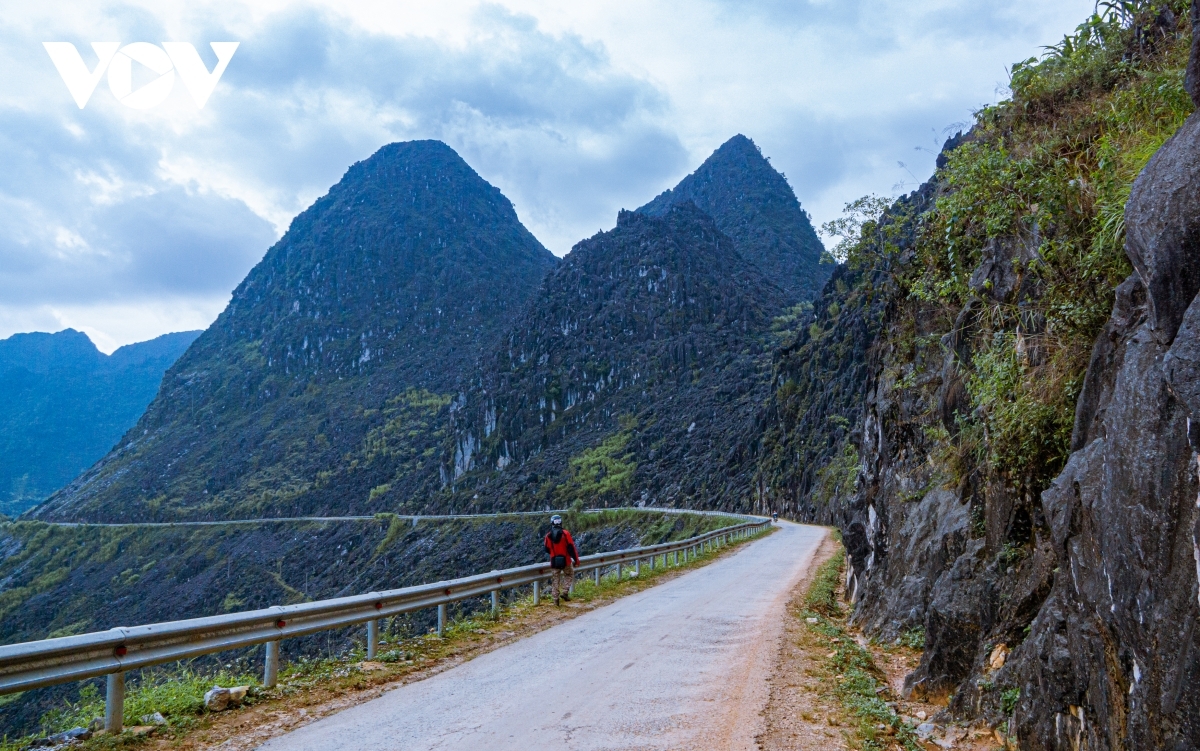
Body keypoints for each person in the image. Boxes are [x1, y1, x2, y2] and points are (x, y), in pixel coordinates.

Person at [544, 514, 580, 606]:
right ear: (561, 522)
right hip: (566, 560)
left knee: (555, 579)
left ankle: (555, 600)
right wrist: (576, 560)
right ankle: (565, 592)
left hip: (554, 561)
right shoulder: (565, 533)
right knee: (569, 574)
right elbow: (571, 548)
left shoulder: (548, 535)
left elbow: (546, 549)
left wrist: (553, 552)